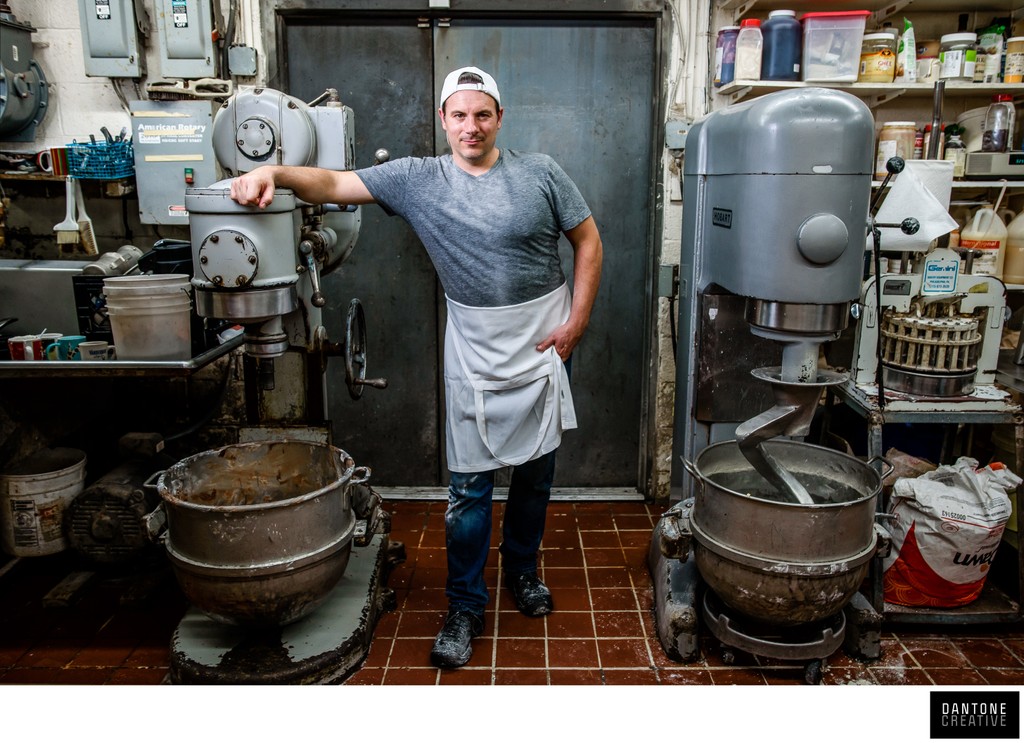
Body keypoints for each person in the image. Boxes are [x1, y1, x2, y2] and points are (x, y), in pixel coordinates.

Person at [229, 66, 603, 669]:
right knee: (470, 487)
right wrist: (273, 172)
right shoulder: (416, 178)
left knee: (535, 473)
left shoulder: (540, 172)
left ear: (499, 118)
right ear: (443, 120)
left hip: (544, 341)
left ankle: (522, 570)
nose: (471, 126)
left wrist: (577, 321)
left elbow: (588, 241)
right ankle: (465, 606)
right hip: (476, 348)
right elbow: (333, 182)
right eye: (460, 115)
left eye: (482, 115)